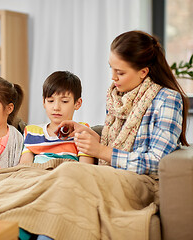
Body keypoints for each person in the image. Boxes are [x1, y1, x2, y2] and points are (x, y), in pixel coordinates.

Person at [59, 30, 189, 176]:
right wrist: (88, 134)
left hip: (142, 181)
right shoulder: (118, 99)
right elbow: (121, 145)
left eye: (120, 73)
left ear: (143, 72)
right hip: (113, 174)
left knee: (67, 174)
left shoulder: (168, 99)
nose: (113, 77)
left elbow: (158, 162)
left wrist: (100, 150)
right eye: (111, 68)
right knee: (64, 171)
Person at [19, 71, 94, 165]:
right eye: (50, 101)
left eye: (64, 101)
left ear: (77, 103)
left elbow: (86, 168)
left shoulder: (81, 131)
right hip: (37, 176)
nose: (56, 107)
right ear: (44, 102)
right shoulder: (32, 132)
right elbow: (24, 168)